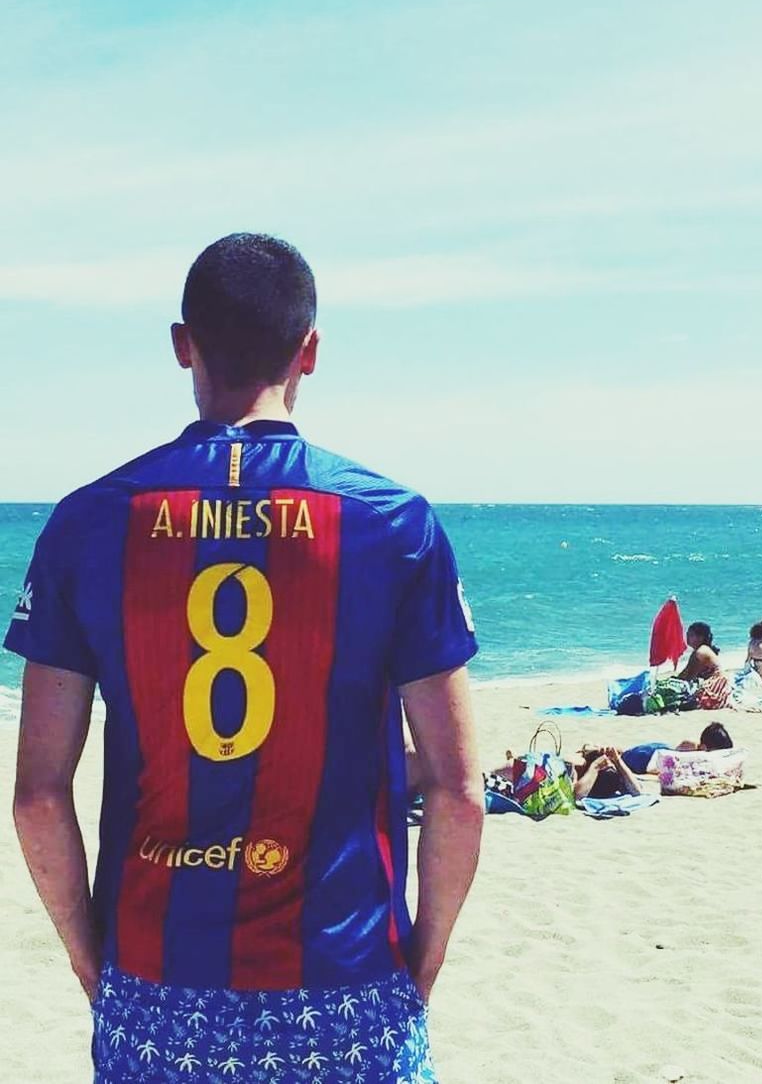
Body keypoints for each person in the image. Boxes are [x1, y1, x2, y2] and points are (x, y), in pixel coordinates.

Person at [8, 234, 483, 1084]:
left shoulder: (88, 521)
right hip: (345, 985)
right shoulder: (390, 523)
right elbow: (455, 791)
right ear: (310, 350)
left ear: (182, 345)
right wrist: (424, 959)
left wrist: (93, 961)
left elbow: (40, 796)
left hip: (156, 985)